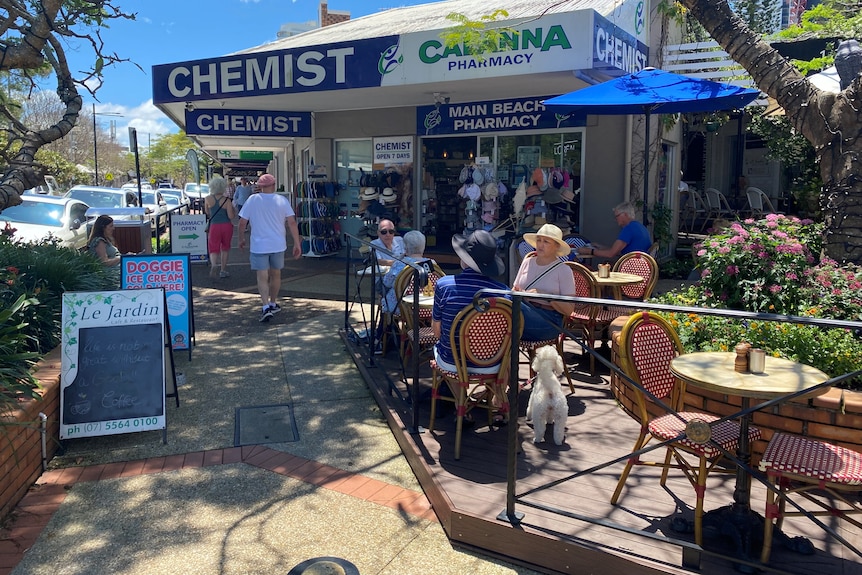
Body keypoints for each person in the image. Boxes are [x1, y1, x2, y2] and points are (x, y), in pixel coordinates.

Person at [432, 230, 508, 375]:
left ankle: (459, 395)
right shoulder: (504, 293)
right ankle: (496, 394)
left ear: (464, 258)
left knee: (437, 347)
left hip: (452, 362)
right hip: (491, 363)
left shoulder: (444, 286)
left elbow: (437, 332)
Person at [238, 173, 302, 323]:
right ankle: (273, 302)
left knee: (262, 276)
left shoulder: (252, 200)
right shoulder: (282, 200)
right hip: (278, 244)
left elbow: (242, 223)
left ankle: (265, 306)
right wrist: (297, 244)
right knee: (276, 275)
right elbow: (292, 223)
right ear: (273, 185)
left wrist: (241, 239)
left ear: (259, 186)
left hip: (259, 245)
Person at [513, 224, 576, 341]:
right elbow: (514, 289)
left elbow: (569, 310)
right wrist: (521, 293)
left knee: (508, 315)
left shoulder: (564, 270)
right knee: (502, 308)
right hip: (525, 310)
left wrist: (546, 296)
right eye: (539, 240)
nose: (540, 245)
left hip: (549, 320)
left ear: (557, 246)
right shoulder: (527, 262)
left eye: (546, 242)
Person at [577, 201, 652, 260]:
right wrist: (601, 247)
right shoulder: (639, 226)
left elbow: (610, 254)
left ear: (625, 214)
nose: (615, 219)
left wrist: (589, 251)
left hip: (631, 269)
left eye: (617, 216)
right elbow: (617, 251)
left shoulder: (628, 229)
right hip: (641, 267)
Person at [204, 176, 237, 278]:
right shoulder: (226, 200)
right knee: (225, 248)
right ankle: (223, 270)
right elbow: (231, 216)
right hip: (226, 226)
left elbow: (207, 212)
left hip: (214, 225)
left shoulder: (208, 199)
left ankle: (214, 265)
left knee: (213, 247)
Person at [87, 215, 122, 285]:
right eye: (111, 226)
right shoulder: (99, 242)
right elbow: (104, 262)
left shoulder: (107, 240)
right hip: (110, 277)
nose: (113, 228)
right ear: (103, 228)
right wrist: (121, 258)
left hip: (116, 272)